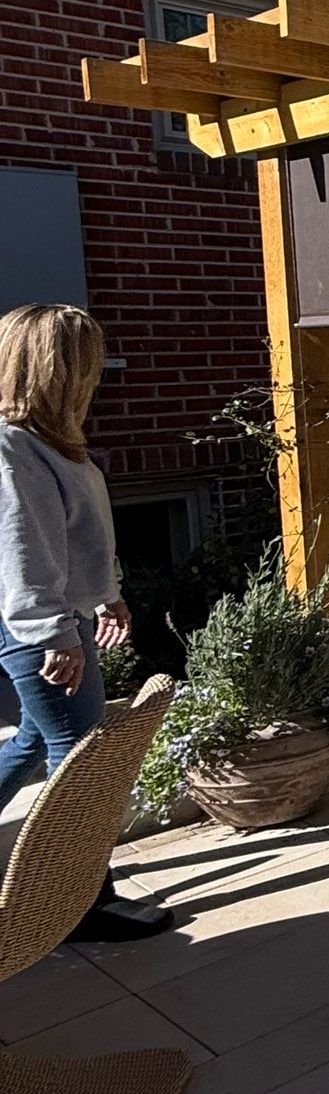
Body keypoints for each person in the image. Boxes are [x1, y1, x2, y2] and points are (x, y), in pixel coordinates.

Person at [0, 302, 170, 939]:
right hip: (37, 629)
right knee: (79, 762)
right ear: (57, 369)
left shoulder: (49, 445)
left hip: (59, 619)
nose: (97, 375)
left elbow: (77, 541)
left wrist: (105, 596)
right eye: (88, 362)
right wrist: (53, 634)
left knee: (35, 743)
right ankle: (80, 908)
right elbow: (22, 552)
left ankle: (75, 897)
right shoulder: (12, 449)